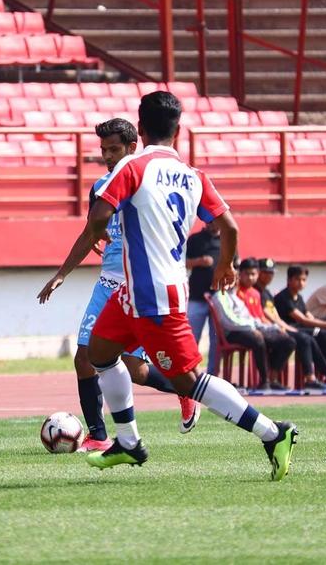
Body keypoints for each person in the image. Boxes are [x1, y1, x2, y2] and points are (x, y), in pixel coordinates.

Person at [37, 91, 298, 481]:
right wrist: (225, 265)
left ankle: (272, 433)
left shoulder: (132, 168)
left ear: (139, 130)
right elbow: (229, 227)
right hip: (137, 292)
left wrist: (98, 231)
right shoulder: (193, 176)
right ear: (178, 130)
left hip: (153, 296)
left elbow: (100, 215)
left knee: (188, 381)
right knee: (100, 352)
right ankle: (127, 442)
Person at [51, 119, 199, 452]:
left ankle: (185, 390)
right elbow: (92, 229)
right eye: (103, 150)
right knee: (84, 358)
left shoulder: (147, 181)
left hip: (141, 287)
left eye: (114, 149)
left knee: (136, 369)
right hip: (108, 284)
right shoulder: (102, 185)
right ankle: (99, 436)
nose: (106, 156)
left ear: (133, 147)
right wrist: (63, 271)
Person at [274, 265, 326, 389]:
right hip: (289, 329)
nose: (301, 283)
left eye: (304, 280)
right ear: (289, 280)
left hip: (300, 327)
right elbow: (302, 319)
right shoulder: (284, 297)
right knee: (321, 332)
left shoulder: (299, 298)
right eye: (298, 279)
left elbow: (310, 317)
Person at [254, 258, 326, 389]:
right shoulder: (257, 292)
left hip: (280, 327)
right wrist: (285, 327)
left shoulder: (267, 292)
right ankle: (313, 378)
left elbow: (275, 315)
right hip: (267, 329)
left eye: (271, 273)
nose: (269, 276)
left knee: (321, 334)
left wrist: (284, 327)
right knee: (302, 339)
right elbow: (267, 315)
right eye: (265, 272)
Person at [213, 264, 295, 391]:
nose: (234, 280)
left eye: (235, 277)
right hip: (232, 333)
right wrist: (252, 328)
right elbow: (229, 321)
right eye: (230, 277)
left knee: (287, 341)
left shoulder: (236, 296)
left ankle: (272, 377)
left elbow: (252, 320)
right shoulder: (220, 296)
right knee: (258, 339)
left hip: (249, 330)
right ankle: (264, 381)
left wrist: (273, 328)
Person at [186, 221, 223, 375]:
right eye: (211, 221)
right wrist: (200, 261)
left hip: (219, 298)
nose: (214, 225)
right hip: (197, 296)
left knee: (216, 340)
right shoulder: (195, 239)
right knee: (191, 337)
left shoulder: (227, 240)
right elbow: (184, 263)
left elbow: (235, 265)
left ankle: (212, 374)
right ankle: (189, 372)